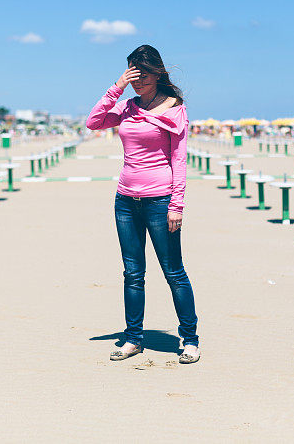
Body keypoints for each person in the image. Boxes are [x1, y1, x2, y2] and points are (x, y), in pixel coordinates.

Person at [86, 44, 200, 364]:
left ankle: (189, 339)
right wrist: (117, 87)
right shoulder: (127, 106)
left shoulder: (175, 109)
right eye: (133, 73)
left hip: (160, 201)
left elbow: (179, 160)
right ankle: (133, 338)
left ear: (157, 73)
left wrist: (176, 205)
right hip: (125, 201)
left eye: (143, 74)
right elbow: (93, 123)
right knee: (133, 273)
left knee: (173, 272)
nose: (138, 80)